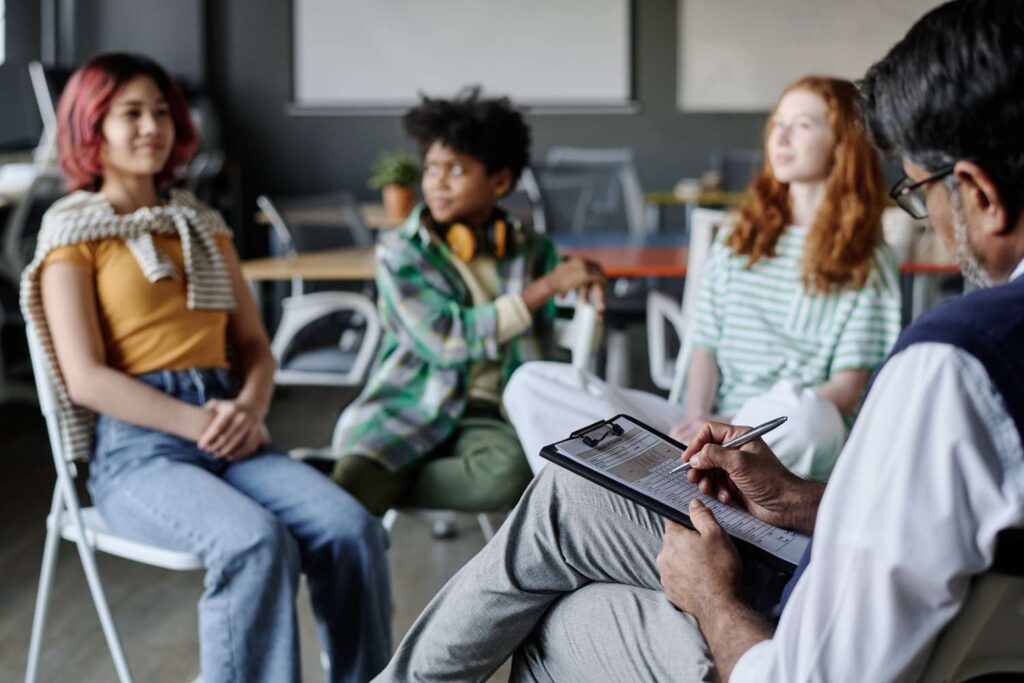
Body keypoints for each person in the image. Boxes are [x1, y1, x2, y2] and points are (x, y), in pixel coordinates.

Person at [372, 0, 1024, 680]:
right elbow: (921, 524)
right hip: (823, 544)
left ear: (979, 191)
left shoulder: (955, 362)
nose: (932, 219)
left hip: (788, 625)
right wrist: (797, 496)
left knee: (565, 608)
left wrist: (712, 597)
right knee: (565, 481)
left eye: (920, 192)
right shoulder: (962, 354)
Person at [20, 53, 390, 682]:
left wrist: (248, 407)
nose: (151, 127)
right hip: (140, 450)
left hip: (229, 421)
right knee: (254, 542)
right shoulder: (72, 232)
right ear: (91, 127)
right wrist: (200, 424)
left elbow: (254, 345)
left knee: (350, 529)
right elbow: (84, 378)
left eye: (162, 112)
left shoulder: (201, 224)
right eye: (130, 113)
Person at [505, 76, 902, 480]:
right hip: (700, 424)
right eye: (778, 123)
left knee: (809, 418)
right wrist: (699, 418)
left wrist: (729, 424)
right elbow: (704, 346)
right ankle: (659, 492)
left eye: (802, 124)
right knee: (532, 384)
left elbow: (848, 388)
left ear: (843, 142)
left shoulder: (868, 259)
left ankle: (672, 487)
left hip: (776, 428)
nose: (781, 136)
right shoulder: (738, 236)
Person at [326, 89, 605, 516]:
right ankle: (362, 480)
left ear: (500, 181)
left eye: (455, 169)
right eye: (432, 168)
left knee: (508, 475)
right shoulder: (401, 252)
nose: (437, 181)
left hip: (492, 412)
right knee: (350, 483)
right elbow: (445, 340)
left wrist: (586, 274)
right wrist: (542, 289)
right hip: (412, 402)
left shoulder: (531, 250)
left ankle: (380, 485)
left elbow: (566, 290)